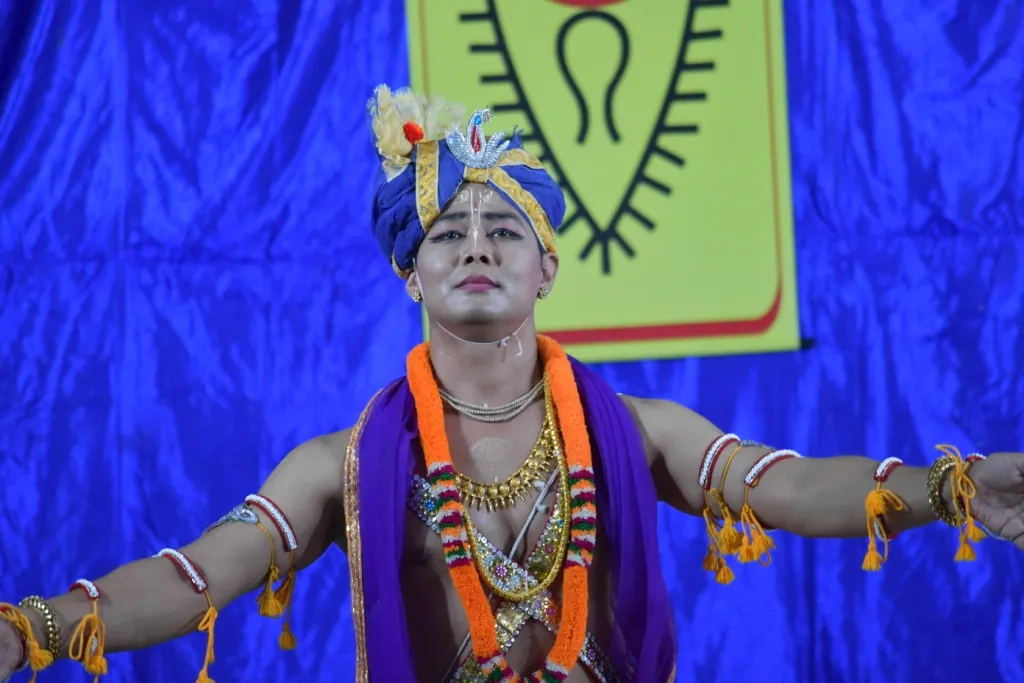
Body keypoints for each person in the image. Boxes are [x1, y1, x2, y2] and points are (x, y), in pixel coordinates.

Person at [1, 84, 1022, 683]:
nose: (477, 246)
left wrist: (955, 487)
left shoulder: (639, 429)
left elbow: (786, 485)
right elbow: (197, 574)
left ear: (547, 267)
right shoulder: (341, 466)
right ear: (411, 271)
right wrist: (32, 626)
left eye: (505, 229)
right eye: (448, 231)